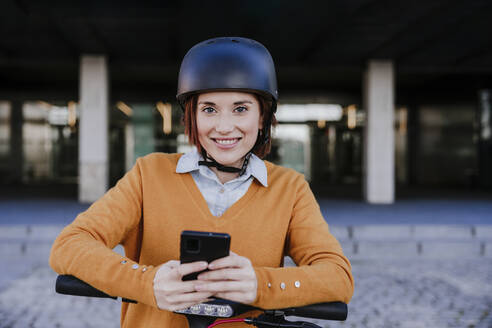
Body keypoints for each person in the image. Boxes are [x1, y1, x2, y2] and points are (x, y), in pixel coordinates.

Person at [49, 37, 353, 327]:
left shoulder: (290, 188)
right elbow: (70, 244)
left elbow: (338, 276)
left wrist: (260, 284)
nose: (224, 126)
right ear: (191, 116)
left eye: (241, 109)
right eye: (209, 109)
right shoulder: (149, 174)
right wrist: (146, 282)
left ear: (262, 116)